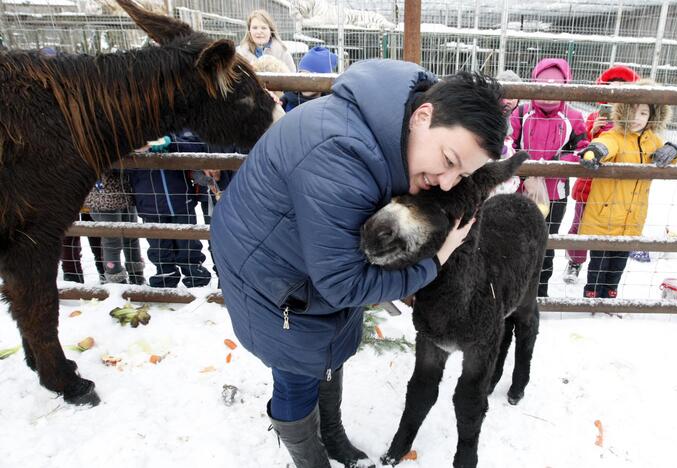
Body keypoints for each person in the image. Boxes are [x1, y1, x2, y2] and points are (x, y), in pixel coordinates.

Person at [211, 59, 506, 468]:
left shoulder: (387, 133)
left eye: (462, 175)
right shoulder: (340, 156)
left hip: (308, 264)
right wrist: (434, 262)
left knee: (330, 348)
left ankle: (332, 435)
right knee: (297, 373)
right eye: (449, 159)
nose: (445, 181)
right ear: (423, 116)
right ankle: (309, 459)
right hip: (270, 279)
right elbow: (344, 286)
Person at [577, 79, 677, 298]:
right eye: (632, 111)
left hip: (632, 217)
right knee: (599, 264)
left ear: (653, 116)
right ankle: (592, 299)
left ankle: (610, 297)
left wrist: (673, 150)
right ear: (622, 110)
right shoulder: (616, 135)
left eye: (643, 113)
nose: (636, 119)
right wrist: (595, 151)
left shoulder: (652, 140)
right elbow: (606, 144)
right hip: (604, 217)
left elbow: (671, 157)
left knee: (617, 265)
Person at [510, 58, 588, 297]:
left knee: (546, 241)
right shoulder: (521, 114)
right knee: (517, 240)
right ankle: (515, 291)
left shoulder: (573, 117)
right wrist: (527, 169)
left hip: (555, 194)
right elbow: (508, 145)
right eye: (543, 87)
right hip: (521, 191)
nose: (548, 95)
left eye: (555, 88)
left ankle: (539, 292)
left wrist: (550, 168)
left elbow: (582, 149)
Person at [564, 65, 640, 284]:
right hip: (589, 186)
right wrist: (593, 130)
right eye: (610, 89)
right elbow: (583, 147)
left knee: (607, 228)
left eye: (620, 89)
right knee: (579, 225)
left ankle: (603, 271)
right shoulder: (594, 117)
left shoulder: (633, 123)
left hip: (615, 190)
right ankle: (575, 262)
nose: (614, 95)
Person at [127, 135, 213, 288]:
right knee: (159, 247)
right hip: (149, 203)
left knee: (188, 243)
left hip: (180, 200)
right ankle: (165, 277)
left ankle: (196, 277)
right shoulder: (129, 132)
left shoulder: (173, 127)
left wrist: (170, 142)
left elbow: (196, 146)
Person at [84, 170, 145, 285]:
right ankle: (116, 280)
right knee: (112, 242)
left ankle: (137, 277)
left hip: (125, 194)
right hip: (104, 198)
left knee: (132, 237)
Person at [281, 46, 339, 112]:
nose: (304, 81)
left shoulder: (330, 108)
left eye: (311, 76)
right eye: (302, 74)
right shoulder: (285, 103)